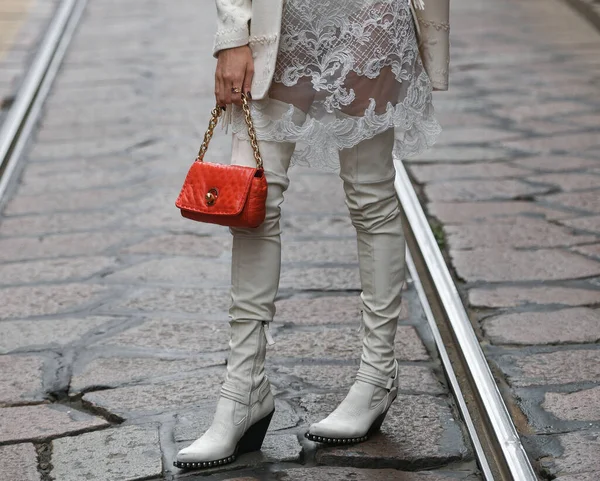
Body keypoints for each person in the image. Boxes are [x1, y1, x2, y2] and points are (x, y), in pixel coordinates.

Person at [175, 0, 449, 470]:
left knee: (370, 195)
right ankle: (242, 390)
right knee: (254, 202)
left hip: (370, 15)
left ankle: (377, 375)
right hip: (278, 19)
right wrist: (232, 35)